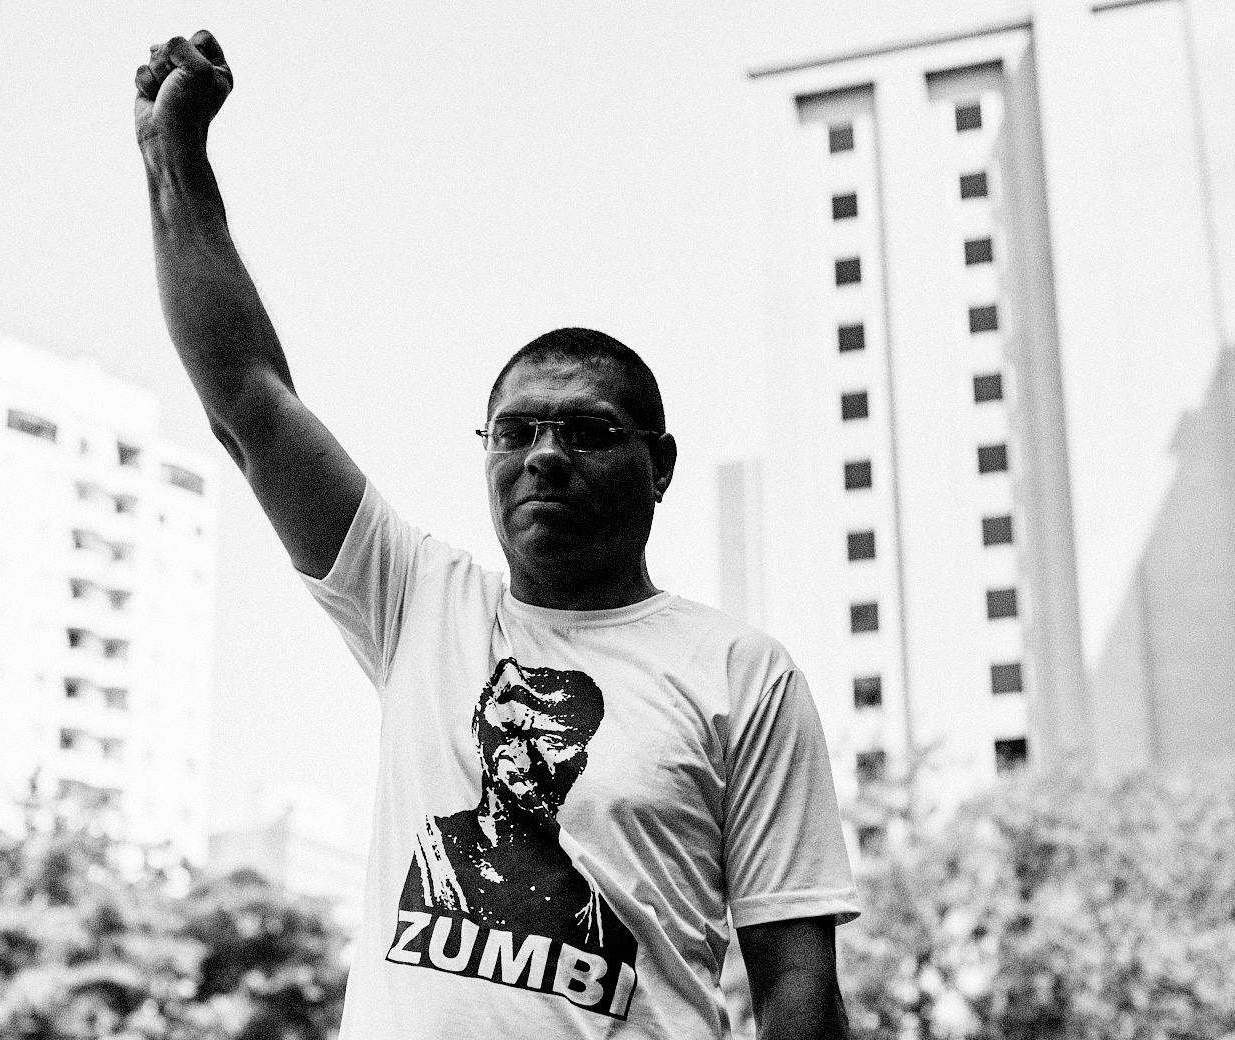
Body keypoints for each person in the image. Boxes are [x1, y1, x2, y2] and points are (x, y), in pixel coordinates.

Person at [135, 30, 860, 1040]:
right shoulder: (416, 601)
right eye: (515, 432)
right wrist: (173, 159)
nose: (545, 455)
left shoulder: (742, 674)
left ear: (660, 466)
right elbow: (247, 400)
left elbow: (798, 986)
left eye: (588, 432)